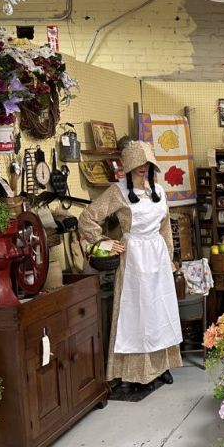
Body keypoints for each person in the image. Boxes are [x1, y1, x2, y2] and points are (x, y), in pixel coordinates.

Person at [79, 141, 182, 390]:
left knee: (160, 311)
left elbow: (165, 228)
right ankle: (135, 371)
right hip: (134, 257)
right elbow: (87, 217)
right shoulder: (117, 192)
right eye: (137, 163)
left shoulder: (160, 191)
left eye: (146, 163)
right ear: (128, 165)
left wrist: (169, 257)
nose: (142, 167)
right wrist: (104, 242)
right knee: (136, 313)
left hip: (157, 256)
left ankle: (162, 366)